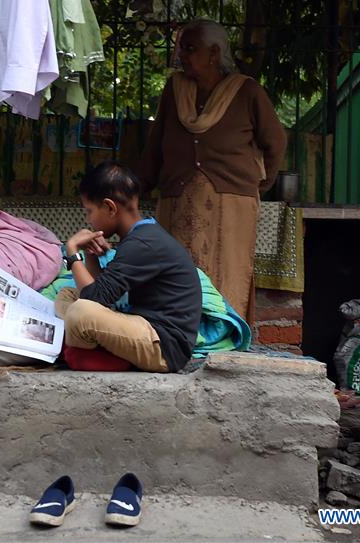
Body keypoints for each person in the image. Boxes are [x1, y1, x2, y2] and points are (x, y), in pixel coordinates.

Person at [136, 19, 286, 319]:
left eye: (190, 49)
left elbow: (276, 141)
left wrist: (256, 185)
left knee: (226, 273)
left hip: (231, 204)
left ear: (214, 53)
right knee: (176, 273)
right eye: (181, 49)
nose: (181, 56)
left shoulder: (247, 91)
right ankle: (179, 333)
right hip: (178, 200)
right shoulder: (175, 89)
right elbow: (156, 145)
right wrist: (139, 188)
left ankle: (223, 335)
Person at [55, 161, 202, 373]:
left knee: (80, 311)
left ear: (109, 207)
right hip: (141, 326)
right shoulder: (140, 236)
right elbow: (100, 294)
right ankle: (85, 350)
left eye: (89, 211)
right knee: (68, 294)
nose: (88, 219)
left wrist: (72, 252)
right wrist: (90, 254)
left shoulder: (143, 244)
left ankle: (88, 353)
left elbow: (92, 300)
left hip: (163, 346)